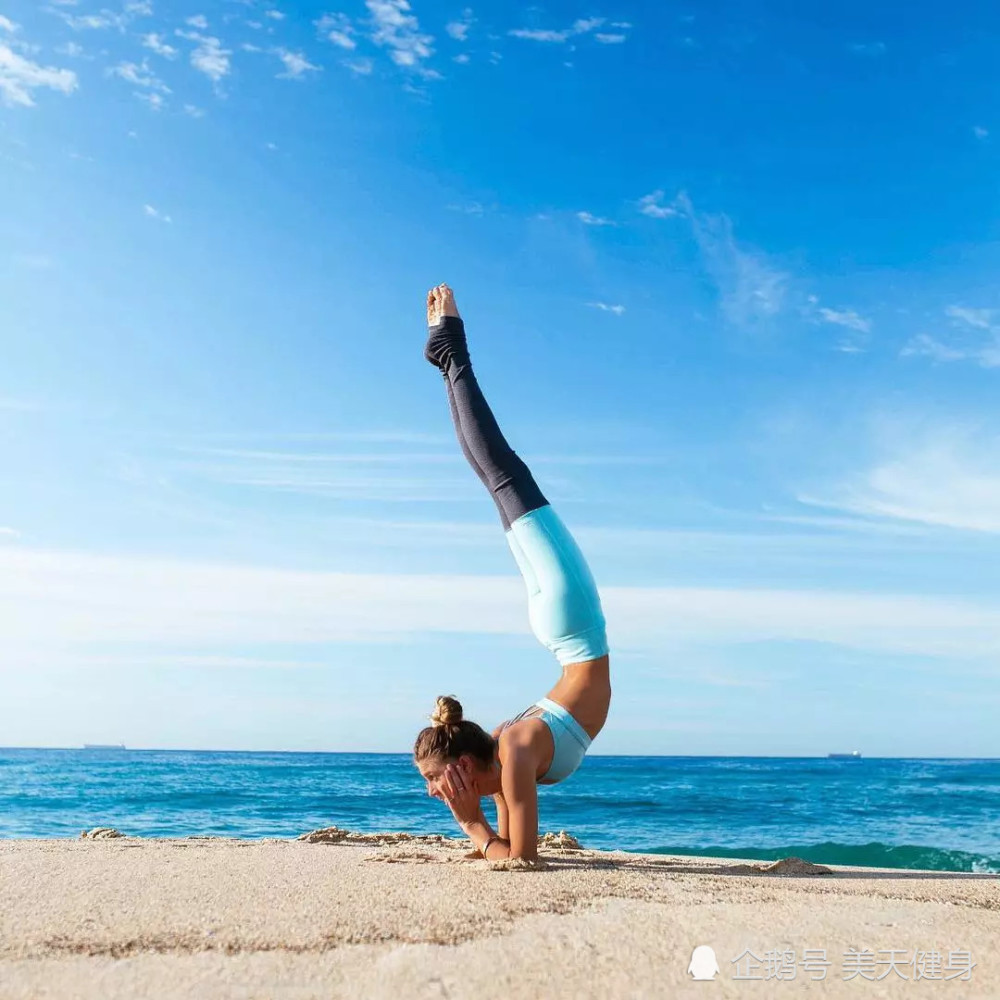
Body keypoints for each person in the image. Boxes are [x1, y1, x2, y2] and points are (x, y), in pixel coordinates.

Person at [413, 283, 612, 863]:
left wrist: (471, 823)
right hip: (566, 630)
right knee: (496, 476)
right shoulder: (508, 754)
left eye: (435, 778)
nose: (433, 791)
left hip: (572, 627)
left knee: (501, 474)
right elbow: (513, 850)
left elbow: (519, 859)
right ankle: (447, 358)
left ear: (466, 766)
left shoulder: (516, 748)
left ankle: (451, 353)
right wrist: (482, 824)